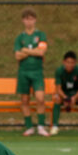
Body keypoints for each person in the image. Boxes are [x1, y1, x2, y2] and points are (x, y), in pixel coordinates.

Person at [14, 8, 49, 136]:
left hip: (37, 72)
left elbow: (41, 52)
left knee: (40, 98)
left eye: (31, 19)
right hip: (23, 72)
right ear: (23, 20)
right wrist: (33, 51)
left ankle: (41, 126)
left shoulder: (41, 35)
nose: (29, 21)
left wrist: (25, 51)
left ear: (35, 20)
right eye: (26, 19)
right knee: (24, 100)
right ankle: (29, 126)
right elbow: (17, 56)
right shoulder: (20, 37)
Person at [52, 51, 78, 136]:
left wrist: (74, 98)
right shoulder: (59, 71)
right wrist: (66, 98)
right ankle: (54, 126)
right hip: (64, 93)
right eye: (68, 62)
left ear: (75, 63)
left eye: (72, 63)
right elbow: (58, 89)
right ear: (64, 62)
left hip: (76, 93)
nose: (70, 65)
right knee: (57, 98)